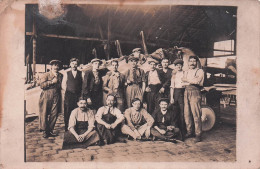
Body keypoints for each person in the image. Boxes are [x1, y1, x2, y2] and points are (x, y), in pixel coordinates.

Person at [182, 56, 205, 142]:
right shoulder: (186, 71)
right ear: (188, 63)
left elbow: (197, 82)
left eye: (194, 61)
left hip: (195, 91)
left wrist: (187, 80)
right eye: (190, 61)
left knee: (196, 113)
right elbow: (182, 82)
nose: (192, 63)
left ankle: (198, 134)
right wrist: (189, 80)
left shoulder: (200, 71)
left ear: (196, 62)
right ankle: (189, 132)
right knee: (187, 113)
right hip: (186, 91)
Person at [39, 60, 63, 138]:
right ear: (51, 66)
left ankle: (50, 130)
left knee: (54, 114)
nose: (56, 67)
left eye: (57, 65)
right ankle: (45, 131)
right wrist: (51, 82)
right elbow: (42, 86)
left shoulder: (60, 75)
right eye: (54, 65)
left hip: (56, 95)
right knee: (44, 113)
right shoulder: (46, 75)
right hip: (46, 94)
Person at [62, 58, 82, 131]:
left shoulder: (81, 73)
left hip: (77, 95)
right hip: (69, 95)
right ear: (70, 64)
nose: (74, 65)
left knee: (77, 110)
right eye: (73, 64)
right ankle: (67, 127)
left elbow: (82, 84)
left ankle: (75, 127)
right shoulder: (67, 73)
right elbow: (63, 85)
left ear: (77, 65)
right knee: (68, 111)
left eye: (76, 64)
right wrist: (68, 91)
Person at [170, 59, 186, 137]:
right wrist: (171, 98)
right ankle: (176, 131)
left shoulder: (185, 73)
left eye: (180, 65)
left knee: (182, 113)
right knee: (175, 112)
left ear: (182, 66)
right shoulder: (174, 75)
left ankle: (183, 132)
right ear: (175, 66)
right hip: (175, 93)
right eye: (177, 65)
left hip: (183, 93)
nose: (178, 66)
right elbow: (172, 87)